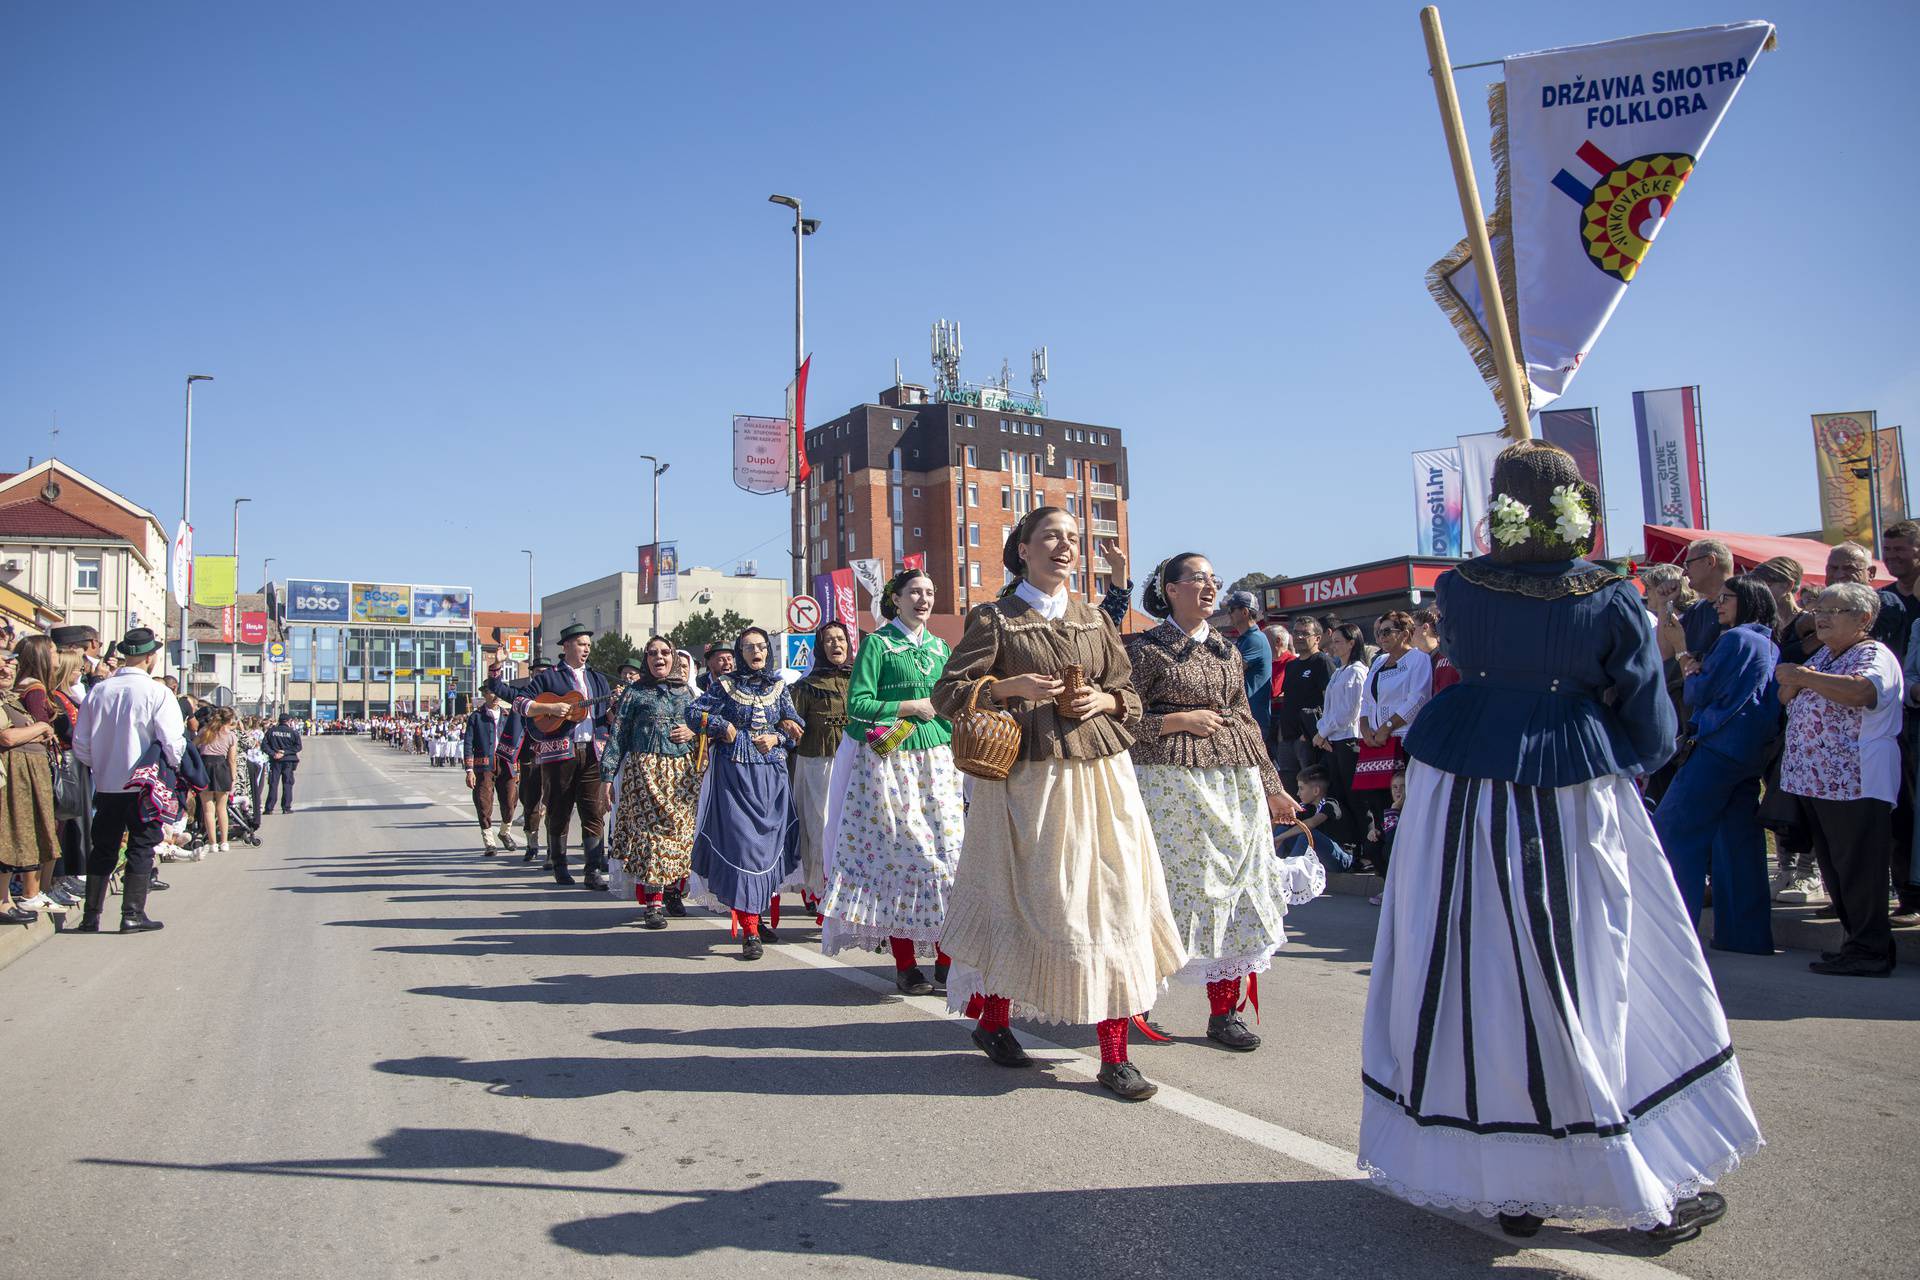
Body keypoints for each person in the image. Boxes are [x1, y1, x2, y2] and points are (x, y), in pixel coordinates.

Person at [1360, 441, 1760, 1243]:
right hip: (1568, 787)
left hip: (1458, 787)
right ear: (1573, 506)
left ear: (1498, 506)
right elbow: (1648, 713)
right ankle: (1609, 1159)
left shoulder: (1458, 588)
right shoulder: (1609, 595)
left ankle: (1511, 1178)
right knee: (1585, 965)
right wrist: (1632, 753)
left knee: (1476, 968)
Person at [932, 507, 1186, 1102]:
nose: (1065, 546)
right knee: (1027, 902)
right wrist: (1008, 688)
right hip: (1028, 782)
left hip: (1103, 778)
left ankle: (1115, 1057)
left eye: (1073, 538)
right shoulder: (994, 618)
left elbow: (1129, 695)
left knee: (1116, 905)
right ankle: (994, 1020)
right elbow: (948, 693)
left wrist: (1104, 702)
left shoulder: (1095, 618)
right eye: (1051, 537)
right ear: (1022, 548)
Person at [1126, 552, 1308, 1052]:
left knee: (1237, 889)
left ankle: (1223, 1012)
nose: (1210, 588)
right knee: (1173, 895)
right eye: (1198, 579)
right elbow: (1119, 723)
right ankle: (1135, 1003)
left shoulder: (1228, 651)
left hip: (1234, 784)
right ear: (1170, 589)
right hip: (1169, 787)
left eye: (1214, 580)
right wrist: (1176, 722)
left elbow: (1246, 720)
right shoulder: (1145, 650)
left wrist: (1272, 786)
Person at [820, 571, 966, 994]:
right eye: (915, 592)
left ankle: (945, 958)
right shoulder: (878, 645)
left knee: (949, 859)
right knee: (902, 857)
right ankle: (905, 964)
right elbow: (858, 706)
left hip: (938, 759)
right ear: (896, 599)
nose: (923, 599)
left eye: (930, 592)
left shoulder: (940, 647)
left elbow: (951, 703)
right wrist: (909, 705)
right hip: (891, 758)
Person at [1778, 581, 1904, 976]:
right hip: (1820, 781)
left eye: (1834, 610)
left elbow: (1861, 693)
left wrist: (1802, 676)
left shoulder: (1872, 654)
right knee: (1836, 869)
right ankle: (1856, 942)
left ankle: (1871, 950)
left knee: (1859, 869)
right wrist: (1802, 678)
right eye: (1819, 610)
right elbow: (1785, 694)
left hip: (1857, 779)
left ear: (1863, 618)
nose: (1822, 617)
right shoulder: (1830, 656)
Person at [1653, 576, 1780, 954]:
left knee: (1674, 834)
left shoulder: (1737, 639)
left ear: (1748, 601)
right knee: (1737, 843)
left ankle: (1672, 938)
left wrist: (1681, 651)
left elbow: (1700, 690)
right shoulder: (1767, 642)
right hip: (1746, 754)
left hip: (1715, 748)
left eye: (1727, 598)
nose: (1719, 604)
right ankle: (1745, 936)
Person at [686, 627, 801, 958]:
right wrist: (723, 727)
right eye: (749, 647)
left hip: (772, 777)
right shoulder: (724, 686)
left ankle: (758, 916)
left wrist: (778, 738)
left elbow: (794, 727)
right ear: (740, 653)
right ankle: (750, 929)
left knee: (767, 850)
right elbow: (692, 714)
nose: (756, 652)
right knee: (743, 848)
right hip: (734, 776)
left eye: (761, 646)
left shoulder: (779, 689)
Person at [71, 628, 189, 933]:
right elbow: (172, 742)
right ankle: (132, 914)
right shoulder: (157, 692)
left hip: (108, 783)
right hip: (143, 784)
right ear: (151, 657)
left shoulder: (99, 690)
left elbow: (81, 743)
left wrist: (102, 766)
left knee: (104, 847)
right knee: (141, 845)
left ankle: (90, 916)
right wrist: (172, 769)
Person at [487, 623, 615, 890]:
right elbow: (521, 702)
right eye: (581, 644)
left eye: (588, 645)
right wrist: (550, 707)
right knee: (559, 810)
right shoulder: (549, 678)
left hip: (593, 752)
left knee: (594, 811)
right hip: (560, 753)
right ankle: (559, 864)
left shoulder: (597, 678)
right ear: (566, 646)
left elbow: (606, 716)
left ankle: (592, 870)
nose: (586, 649)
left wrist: (617, 707)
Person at [602, 636, 700, 929]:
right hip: (643, 772)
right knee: (650, 836)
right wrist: (606, 776)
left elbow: (705, 726)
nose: (659, 657)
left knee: (680, 835)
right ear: (645, 659)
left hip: (682, 774)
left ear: (673, 658)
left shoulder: (688, 694)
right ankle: (653, 903)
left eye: (665, 652)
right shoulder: (635, 693)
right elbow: (618, 735)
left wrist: (693, 732)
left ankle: (672, 892)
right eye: (652, 653)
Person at [1353, 611, 1432, 875]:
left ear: (1406, 633)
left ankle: (1407, 874)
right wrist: (1365, 727)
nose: (1382, 637)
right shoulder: (1378, 662)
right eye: (1379, 633)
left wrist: (1387, 727)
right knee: (1378, 806)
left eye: (1388, 631)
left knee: (1402, 806)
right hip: (1375, 745)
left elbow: (1417, 698)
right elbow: (1367, 700)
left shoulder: (1418, 660)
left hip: (1402, 741)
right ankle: (1386, 874)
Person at [789, 621, 855, 912]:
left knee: (851, 827)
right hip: (818, 764)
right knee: (820, 826)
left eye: (840, 639)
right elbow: (790, 727)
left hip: (855, 763)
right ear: (820, 646)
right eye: (829, 640)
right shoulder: (806, 687)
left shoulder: (860, 680)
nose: (836, 645)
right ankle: (819, 888)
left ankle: (850, 892)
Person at [1874, 521, 1920, 923]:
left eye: (1901, 550)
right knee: (1900, 811)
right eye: (1888, 550)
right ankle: (1908, 895)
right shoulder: (1883, 602)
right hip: (1893, 721)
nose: (1893, 557)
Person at [0, 644, 63, 923]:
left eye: (8, 662)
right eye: (1, 663)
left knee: (18, 836)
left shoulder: (10, 697)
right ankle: (18, 896)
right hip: (13, 774)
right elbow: (8, 738)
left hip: (21, 773)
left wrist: (35, 732)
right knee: (11, 836)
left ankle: (10, 898)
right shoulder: (30, 689)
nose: (6, 668)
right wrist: (40, 728)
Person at [1314, 621, 1369, 850]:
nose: (1333, 646)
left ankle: (1365, 845)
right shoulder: (1339, 672)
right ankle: (1351, 844)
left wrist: (1323, 732)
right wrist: (1322, 733)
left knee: (1354, 797)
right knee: (1339, 795)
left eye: (1338, 642)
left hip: (1348, 740)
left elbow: (1349, 712)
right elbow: (1329, 709)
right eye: (1333, 641)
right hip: (1333, 741)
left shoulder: (1357, 672)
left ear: (1351, 643)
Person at [1277, 618, 1335, 795]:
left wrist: (1310, 733)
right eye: (1296, 632)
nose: (1299, 637)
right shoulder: (1291, 665)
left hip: (1309, 739)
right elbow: (1288, 700)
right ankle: (1294, 822)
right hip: (1287, 738)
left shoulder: (1322, 662)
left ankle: (1314, 821)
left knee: (1311, 788)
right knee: (1290, 788)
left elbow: (1330, 701)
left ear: (1317, 638)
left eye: (1305, 633)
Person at [462, 688, 517, 854]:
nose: (496, 697)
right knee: (483, 802)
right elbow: (468, 743)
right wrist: (469, 770)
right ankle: (489, 842)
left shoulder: (509, 716)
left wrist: (518, 766)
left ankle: (504, 832)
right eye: (492, 693)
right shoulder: (476, 717)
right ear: (485, 694)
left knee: (510, 801)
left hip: (507, 764)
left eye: (498, 693)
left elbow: (517, 740)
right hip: (484, 765)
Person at [1222, 590, 1273, 746]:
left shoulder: (1254, 639)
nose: (1229, 613)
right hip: (1245, 717)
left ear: (1244, 612)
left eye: (1231, 610)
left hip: (1253, 718)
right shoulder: (1246, 639)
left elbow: (1229, 672)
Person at [196, 707, 239, 853]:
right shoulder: (231, 735)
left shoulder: (204, 732)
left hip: (204, 767)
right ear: (229, 720)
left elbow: (191, 745)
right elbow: (232, 759)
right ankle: (224, 842)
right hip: (222, 767)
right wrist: (233, 777)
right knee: (222, 808)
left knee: (208, 808)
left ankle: (213, 843)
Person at [264, 713, 302, 814]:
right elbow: (298, 747)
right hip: (288, 761)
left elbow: (264, 745)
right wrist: (285, 752)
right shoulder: (293, 732)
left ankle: (269, 808)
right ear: (289, 721)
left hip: (275, 761)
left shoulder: (271, 731)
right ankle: (286, 808)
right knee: (287, 784)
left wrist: (274, 754)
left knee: (273, 784)